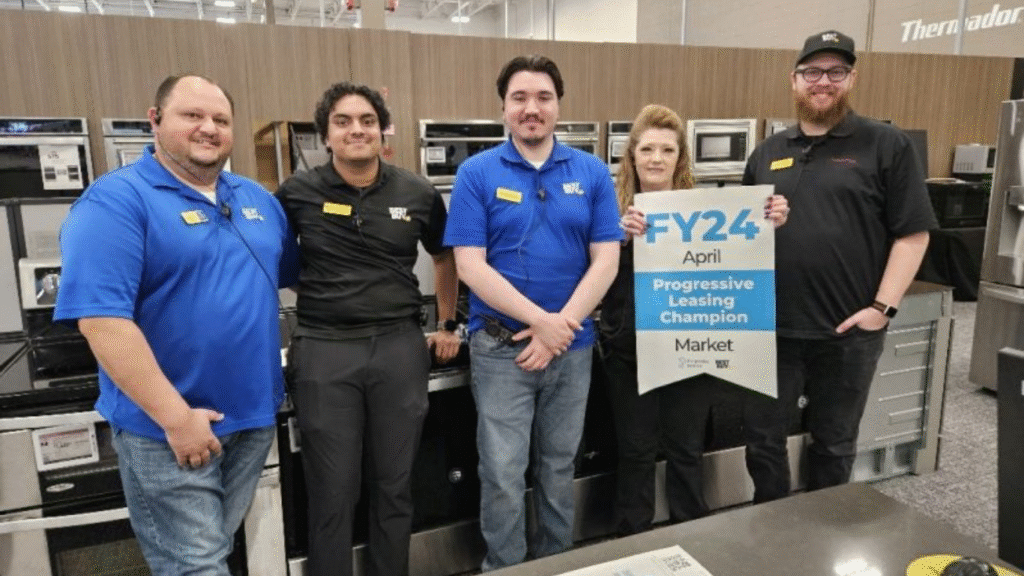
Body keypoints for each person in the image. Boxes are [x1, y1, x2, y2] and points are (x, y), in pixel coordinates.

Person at [54, 74, 300, 574]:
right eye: (193, 115)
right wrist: (176, 419)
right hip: (169, 430)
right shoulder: (115, 202)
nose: (209, 128)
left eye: (221, 119)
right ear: (155, 119)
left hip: (251, 420)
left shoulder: (257, 200)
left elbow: (288, 277)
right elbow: (102, 323)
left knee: (212, 553)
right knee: (196, 566)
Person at [741, 30, 937, 503]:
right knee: (763, 443)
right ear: (794, 80)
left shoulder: (886, 144)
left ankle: (821, 535)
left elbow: (913, 234)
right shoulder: (767, 153)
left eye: (835, 71)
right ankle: (770, 530)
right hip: (772, 330)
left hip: (848, 333)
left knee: (834, 445)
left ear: (851, 79)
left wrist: (881, 309)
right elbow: (742, 236)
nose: (822, 81)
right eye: (812, 71)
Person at [443, 54, 622, 570]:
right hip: (502, 351)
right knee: (502, 471)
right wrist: (541, 324)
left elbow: (606, 260)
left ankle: (555, 564)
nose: (531, 108)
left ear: (558, 106)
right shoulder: (476, 174)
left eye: (543, 97)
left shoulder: (591, 172)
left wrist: (557, 330)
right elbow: (470, 266)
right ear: (503, 107)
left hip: (572, 349)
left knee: (559, 466)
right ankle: (505, 566)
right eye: (519, 97)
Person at [275, 82, 460, 576]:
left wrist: (447, 323)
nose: (356, 130)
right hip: (325, 351)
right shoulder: (295, 194)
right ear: (326, 135)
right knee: (332, 492)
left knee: (394, 487)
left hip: (398, 350)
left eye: (367, 121)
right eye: (343, 121)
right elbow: (277, 263)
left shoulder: (417, 192)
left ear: (382, 131)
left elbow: (444, 257)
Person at [602, 104, 789, 534]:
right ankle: (631, 539)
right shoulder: (610, 212)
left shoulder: (709, 210)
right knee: (635, 452)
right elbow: (588, 270)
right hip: (629, 352)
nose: (656, 158)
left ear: (680, 158)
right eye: (647, 149)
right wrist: (619, 237)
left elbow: (740, 261)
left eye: (667, 150)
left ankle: (691, 534)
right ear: (631, 156)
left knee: (686, 449)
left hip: (690, 346)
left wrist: (769, 221)